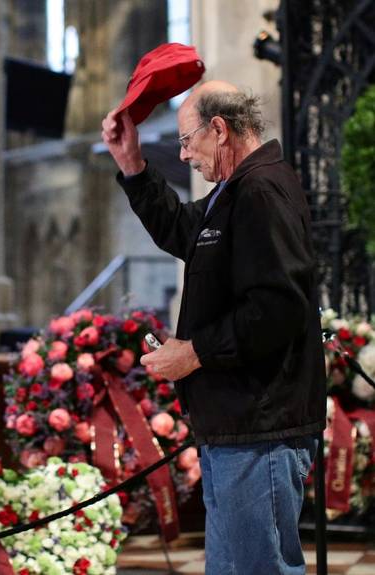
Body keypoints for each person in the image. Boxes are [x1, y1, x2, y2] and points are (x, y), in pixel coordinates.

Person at [101, 81, 326, 574]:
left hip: (259, 427)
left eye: (186, 140)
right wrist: (132, 165)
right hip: (236, 428)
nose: (183, 155)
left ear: (219, 130)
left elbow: (278, 306)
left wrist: (195, 352)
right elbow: (184, 230)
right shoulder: (234, 190)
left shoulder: (261, 190)